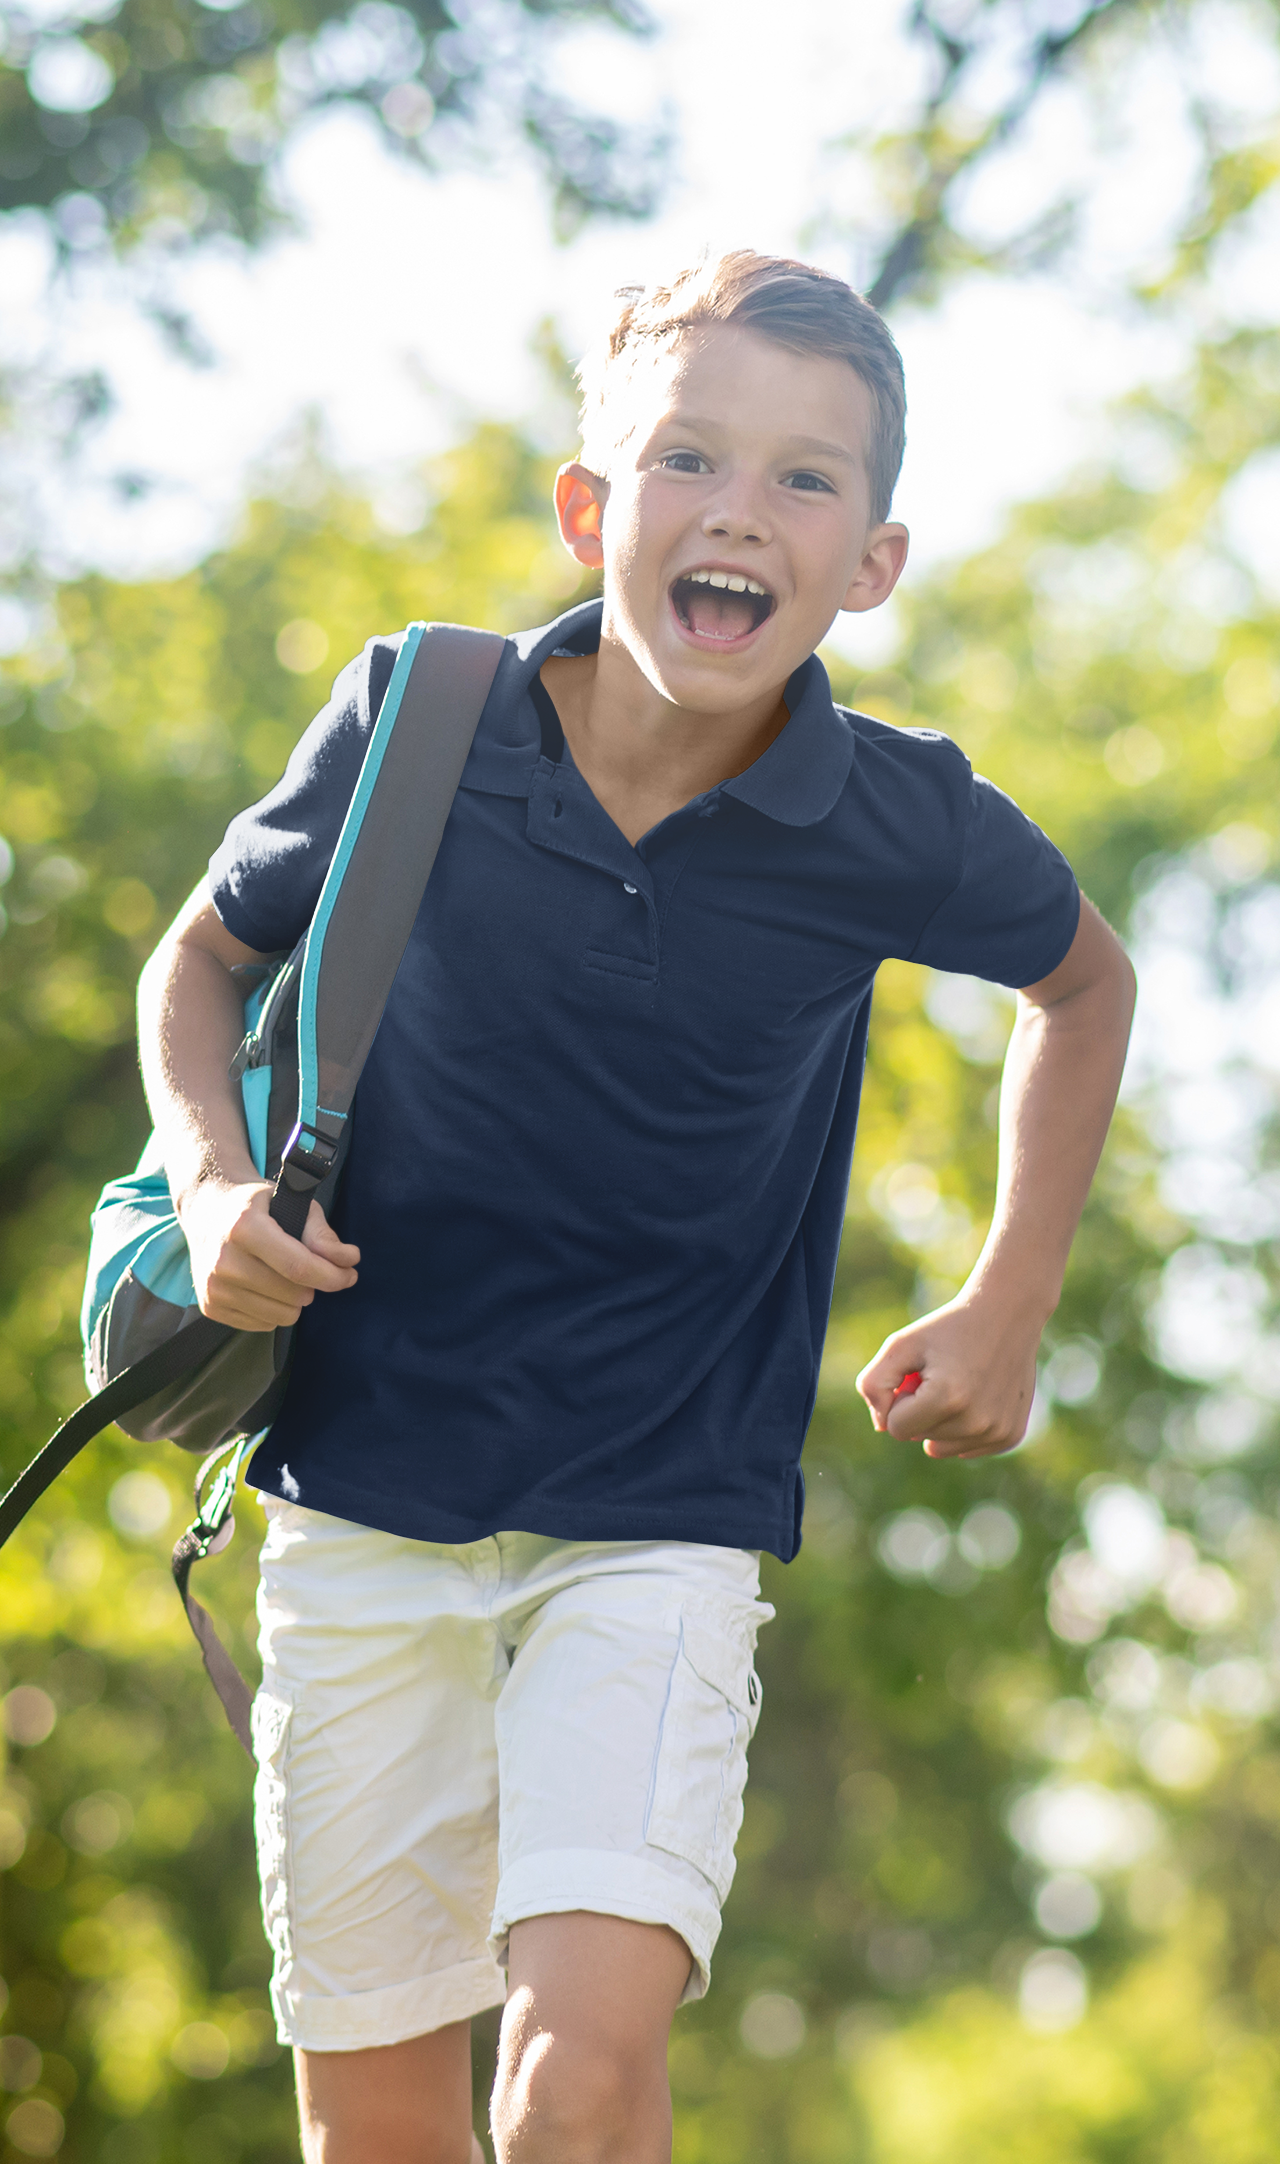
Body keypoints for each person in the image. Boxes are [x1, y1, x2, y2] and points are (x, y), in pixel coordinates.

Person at [137, 251, 1136, 2163]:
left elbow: (1084, 985)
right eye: (689, 457)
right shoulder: (416, 718)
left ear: (872, 566)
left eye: (805, 479)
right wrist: (209, 1187)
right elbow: (197, 959)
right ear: (594, 507)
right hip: (359, 1492)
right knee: (384, 2133)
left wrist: (1011, 1298)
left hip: (659, 1516)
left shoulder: (894, 821)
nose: (741, 509)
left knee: (579, 2079)